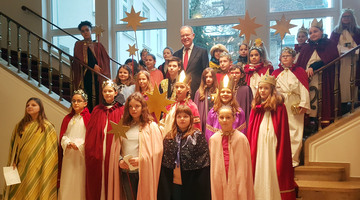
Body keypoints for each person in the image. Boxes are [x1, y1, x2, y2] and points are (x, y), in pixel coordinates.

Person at [247, 71, 296, 200]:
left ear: (272, 89)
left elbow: (282, 131)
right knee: (259, 168)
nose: (262, 91)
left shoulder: (279, 107)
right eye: (260, 88)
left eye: (266, 88)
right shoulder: (255, 108)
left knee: (272, 169)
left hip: (273, 145)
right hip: (259, 144)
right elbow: (252, 130)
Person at [108, 92, 163, 200]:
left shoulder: (151, 126)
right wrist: (119, 161)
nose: (133, 109)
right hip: (126, 170)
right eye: (131, 107)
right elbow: (116, 149)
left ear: (143, 107)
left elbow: (158, 150)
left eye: (137, 106)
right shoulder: (123, 125)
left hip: (143, 171)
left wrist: (141, 160)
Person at [4, 97, 58, 200]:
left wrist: (45, 166)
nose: (29, 107)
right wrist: (13, 160)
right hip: (21, 164)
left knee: (33, 189)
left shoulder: (47, 127)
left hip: (38, 166)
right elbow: (15, 145)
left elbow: (52, 151)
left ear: (40, 108)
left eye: (33, 105)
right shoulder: (20, 125)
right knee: (19, 190)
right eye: (28, 105)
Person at [158, 105, 211, 200]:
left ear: (190, 118)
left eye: (185, 116)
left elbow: (203, 163)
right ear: (175, 119)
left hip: (192, 181)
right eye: (179, 116)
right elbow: (165, 163)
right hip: (174, 181)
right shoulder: (169, 136)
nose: (182, 119)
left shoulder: (198, 136)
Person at [84, 80, 124, 200]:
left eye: (110, 91)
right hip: (99, 149)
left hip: (113, 149)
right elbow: (90, 132)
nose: (107, 93)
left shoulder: (121, 110)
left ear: (115, 93)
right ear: (102, 93)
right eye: (105, 91)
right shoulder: (97, 110)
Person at [296, 18, 339, 127]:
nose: (313, 34)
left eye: (315, 32)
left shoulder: (329, 44)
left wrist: (313, 66)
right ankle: (311, 121)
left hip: (323, 78)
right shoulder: (306, 47)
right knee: (310, 98)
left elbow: (331, 57)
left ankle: (321, 120)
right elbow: (300, 63)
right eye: (310, 33)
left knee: (321, 98)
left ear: (321, 31)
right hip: (308, 80)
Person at [272, 47, 310, 167]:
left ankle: (293, 160)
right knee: (279, 131)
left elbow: (304, 89)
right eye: (283, 56)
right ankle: (280, 159)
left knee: (295, 131)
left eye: (288, 56)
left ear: (293, 58)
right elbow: (270, 90)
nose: (285, 58)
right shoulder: (276, 73)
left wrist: (304, 104)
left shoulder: (299, 71)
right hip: (279, 104)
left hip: (294, 104)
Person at [209, 106, 255, 200]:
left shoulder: (241, 139)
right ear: (218, 119)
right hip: (219, 180)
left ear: (234, 118)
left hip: (238, 179)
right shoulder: (213, 140)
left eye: (228, 117)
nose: (224, 120)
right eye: (222, 117)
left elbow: (245, 168)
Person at [58, 90, 91, 200]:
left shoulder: (89, 118)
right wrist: (67, 142)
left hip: (81, 156)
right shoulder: (68, 118)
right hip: (69, 155)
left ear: (85, 103)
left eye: (79, 101)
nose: (76, 103)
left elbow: (90, 137)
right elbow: (63, 135)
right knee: (67, 179)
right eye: (73, 101)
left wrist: (79, 144)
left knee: (79, 180)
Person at [73, 21, 111, 112]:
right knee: (88, 94)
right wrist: (92, 66)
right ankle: (88, 113)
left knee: (98, 93)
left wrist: (100, 67)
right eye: (83, 31)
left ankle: (97, 112)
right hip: (86, 74)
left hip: (97, 74)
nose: (85, 32)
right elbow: (78, 58)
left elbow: (105, 58)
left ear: (91, 31)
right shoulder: (78, 44)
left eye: (87, 30)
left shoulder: (98, 45)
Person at [330, 9, 360, 111]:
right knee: (342, 83)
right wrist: (344, 50)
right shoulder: (335, 32)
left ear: (352, 18)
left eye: (348, 16)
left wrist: (354, 50)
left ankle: (353, 101)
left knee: (353, 81)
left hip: (355, 60)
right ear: (341, 18)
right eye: (344, 16)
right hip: (341, 62)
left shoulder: (357, 31)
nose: (346, 19)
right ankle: (342, 104)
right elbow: (332, 47)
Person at [205, 75, 246, 141]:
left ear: (232, 94)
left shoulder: (239, 112)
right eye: (223, 92)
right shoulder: (213, 112)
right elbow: (209, 133)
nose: (225, 94)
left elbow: (242, 132)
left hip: (233, 144)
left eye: (228, 92)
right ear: (219, 94)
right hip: (218, 144)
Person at [173, 25, 209, 99]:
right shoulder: (176, 55)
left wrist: (204, 90)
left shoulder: (202, 52)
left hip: (197, 92)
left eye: (187, 35)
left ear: (193, 35)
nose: (185, 37)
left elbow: (206, 73)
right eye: (182, 36)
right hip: (180, 93)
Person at [162, 71, 201, 136]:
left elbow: (196, 128)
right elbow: (163, 123)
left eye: (182, 87)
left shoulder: (192, 106)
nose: (179, 89)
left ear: (187, 89)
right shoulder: (170, 104)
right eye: (177, 87)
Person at [194, 68, 219, 132]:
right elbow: (196, 111)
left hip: (214, 123)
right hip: (203, 123)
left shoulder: (218, 92)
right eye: (206, 77)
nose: (208, 79)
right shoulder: (199, 92)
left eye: (210, 77)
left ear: (214, 78)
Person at [229, 65, 253, 129]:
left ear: (242, 75)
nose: (234, 75)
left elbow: (248, 108)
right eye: (232, 73)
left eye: (237, 73)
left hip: (241, 120)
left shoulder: (246, 89)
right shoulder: (227, 89)